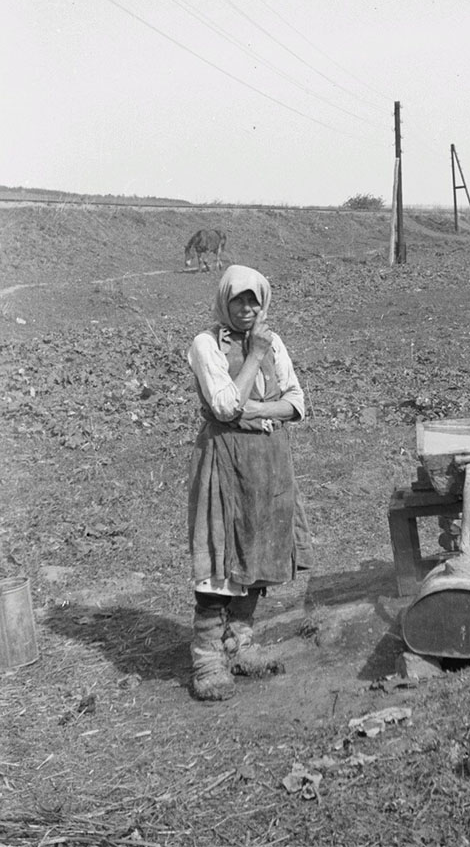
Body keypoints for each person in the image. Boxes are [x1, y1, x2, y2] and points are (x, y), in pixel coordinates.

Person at [186, 264, 313, 700]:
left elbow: (296, 403)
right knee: (220, 554)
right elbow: (223, 406)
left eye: (255, 299)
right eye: (239, 299)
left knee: (260, 547)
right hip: (225, 460)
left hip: (269, 462)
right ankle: (206, 658)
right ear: (225, 301)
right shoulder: (206, 345)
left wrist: (254, 411)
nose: (248, 308)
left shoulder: (274, 341)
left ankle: (240, 643)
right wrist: (255, 356)